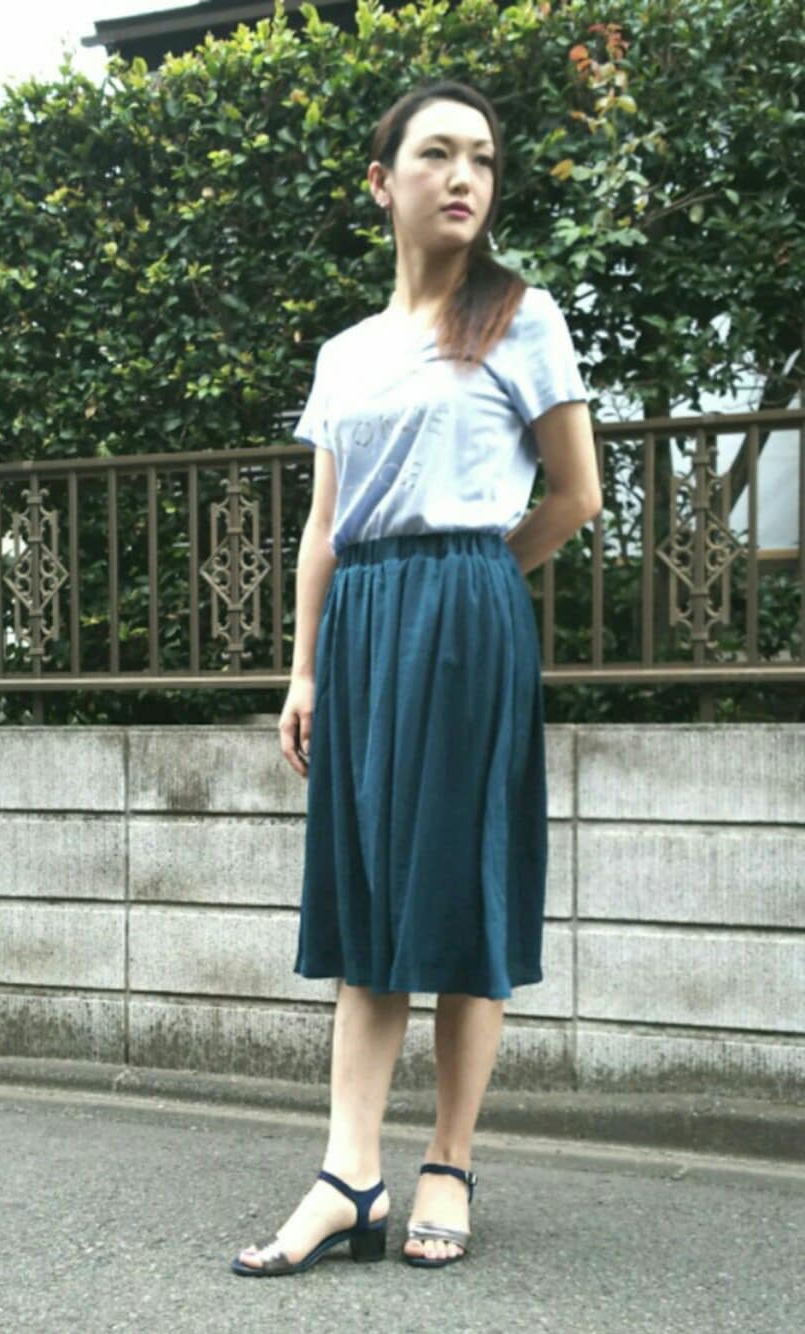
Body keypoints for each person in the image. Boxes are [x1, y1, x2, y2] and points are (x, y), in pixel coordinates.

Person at [231, 79, 601, 1277]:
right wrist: (302, 669)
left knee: (462, 880)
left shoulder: (522, 318)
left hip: (465, 606)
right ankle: (349, 1174)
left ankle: (447, 1158)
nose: (463, 177)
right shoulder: (346, 353)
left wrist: (475, 582)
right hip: (362, 622)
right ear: (381, 181)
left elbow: (574, 495)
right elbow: (323, 526)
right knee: (366, 888)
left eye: (481, 159)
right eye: (436, 153)